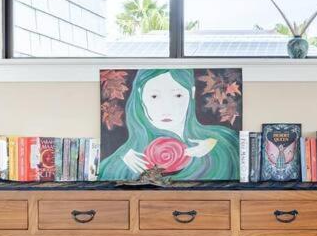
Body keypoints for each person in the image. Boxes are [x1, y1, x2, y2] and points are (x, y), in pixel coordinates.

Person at [99, 69, 238, 180]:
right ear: (140, 96)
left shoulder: (220, 140)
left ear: (192, 93)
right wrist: (120, 162)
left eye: (177, 96)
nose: (166, 108)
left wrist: (215, 148)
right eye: (154, 96)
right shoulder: (128, 155)